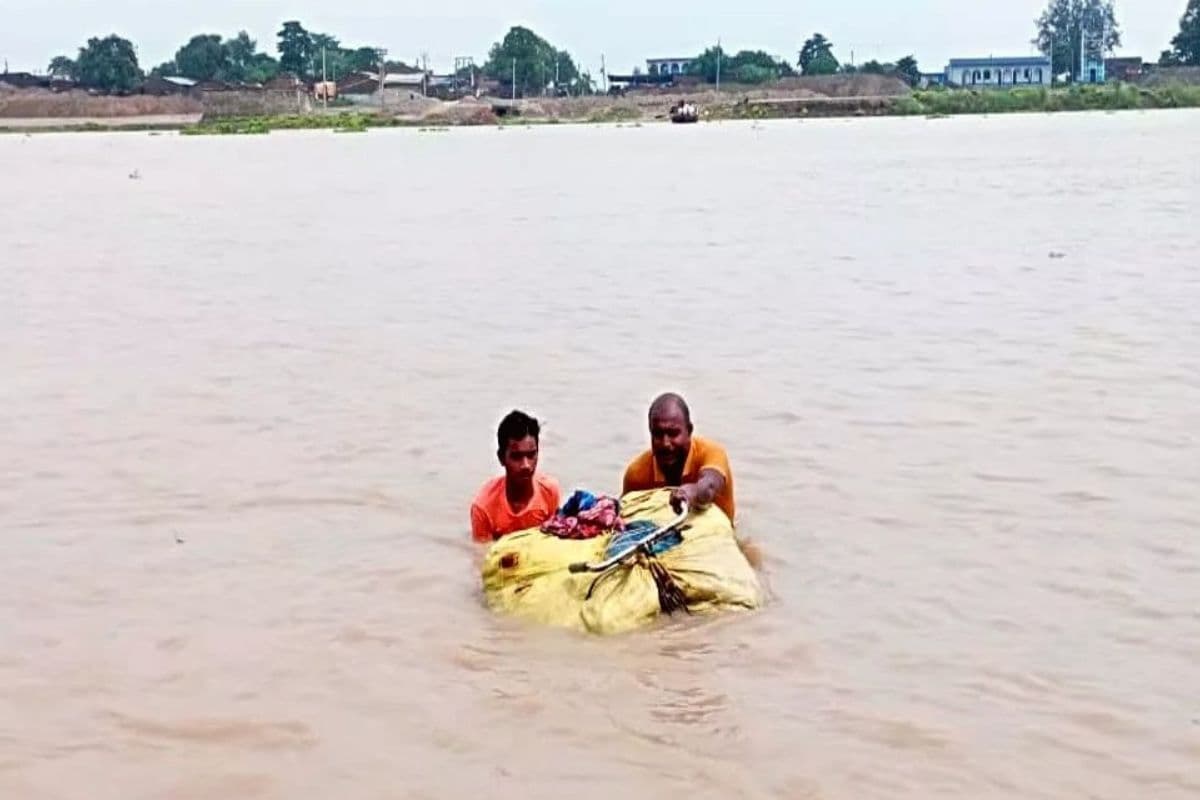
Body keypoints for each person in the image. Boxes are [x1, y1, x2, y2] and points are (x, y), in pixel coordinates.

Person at [622, 393, 736, 521]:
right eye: (658, 434)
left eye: (673, 433)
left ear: (689, 430)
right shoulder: (636, 474)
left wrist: (692, 492)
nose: (666, 443)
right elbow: (625, 515)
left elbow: (710, 485)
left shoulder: (711, 452)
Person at [470, 410, 561, 543]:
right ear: (501, 458)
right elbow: (483, 558)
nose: (526, 465)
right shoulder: (484, 507)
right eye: (516, 456)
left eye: (531, 455)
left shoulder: (549, 492)